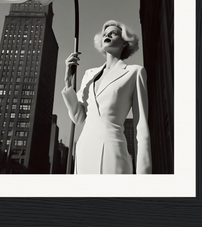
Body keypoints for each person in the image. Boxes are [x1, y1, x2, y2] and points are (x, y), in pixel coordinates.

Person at [62, 20, 152, 174]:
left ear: (124, 42)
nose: (107, 35)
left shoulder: (135, 72)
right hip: (84, 151)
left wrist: (144, 176)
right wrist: (68, 82)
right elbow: (78, 118)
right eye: (105, 34)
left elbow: (141, 127)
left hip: (113, 152)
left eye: (113, 33)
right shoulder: (89, 74)